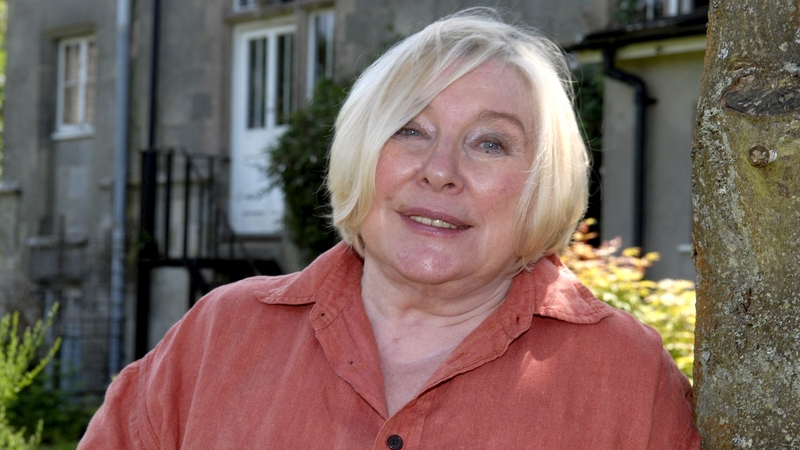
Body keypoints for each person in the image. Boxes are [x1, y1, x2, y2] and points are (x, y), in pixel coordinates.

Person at [79, 9, 700, 449]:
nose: (440, 172)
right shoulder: (220, 336)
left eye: (490, 143)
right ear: (359, 151)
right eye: (410, 129)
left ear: (544, 181)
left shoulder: (624, 376)